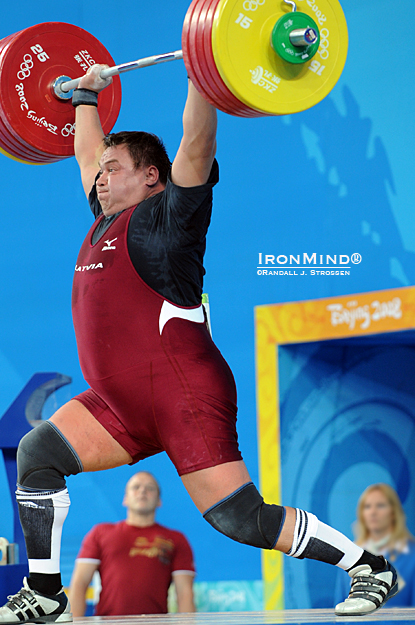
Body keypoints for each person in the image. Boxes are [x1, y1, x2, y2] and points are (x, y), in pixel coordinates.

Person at [0, 65, 399, 624]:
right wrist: (86, 97)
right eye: (101, 171)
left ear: (153, 179)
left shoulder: (173, 218)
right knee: (38, 455)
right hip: (118, 405)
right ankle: (44, 592)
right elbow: (86, 155)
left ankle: (369, 565)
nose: (100, 176)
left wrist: (202, 68)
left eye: (116, 169)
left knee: (240, 520)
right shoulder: (104, 216)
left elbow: (197, 142)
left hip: (184, 393)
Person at [69, 471, 195, 616]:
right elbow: (79, 584)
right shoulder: (100, 533)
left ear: (159, 501)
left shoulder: (176, 539)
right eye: (136, 487)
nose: (142, 491)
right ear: (125, 499)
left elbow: (185, 593)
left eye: (150, 488)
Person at [335, 483, 415, 607]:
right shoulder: (350, 554)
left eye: (380, 505)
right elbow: (341, 607)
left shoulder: (411, 557)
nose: (373, 512)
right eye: (367, 507)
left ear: (393, 512)